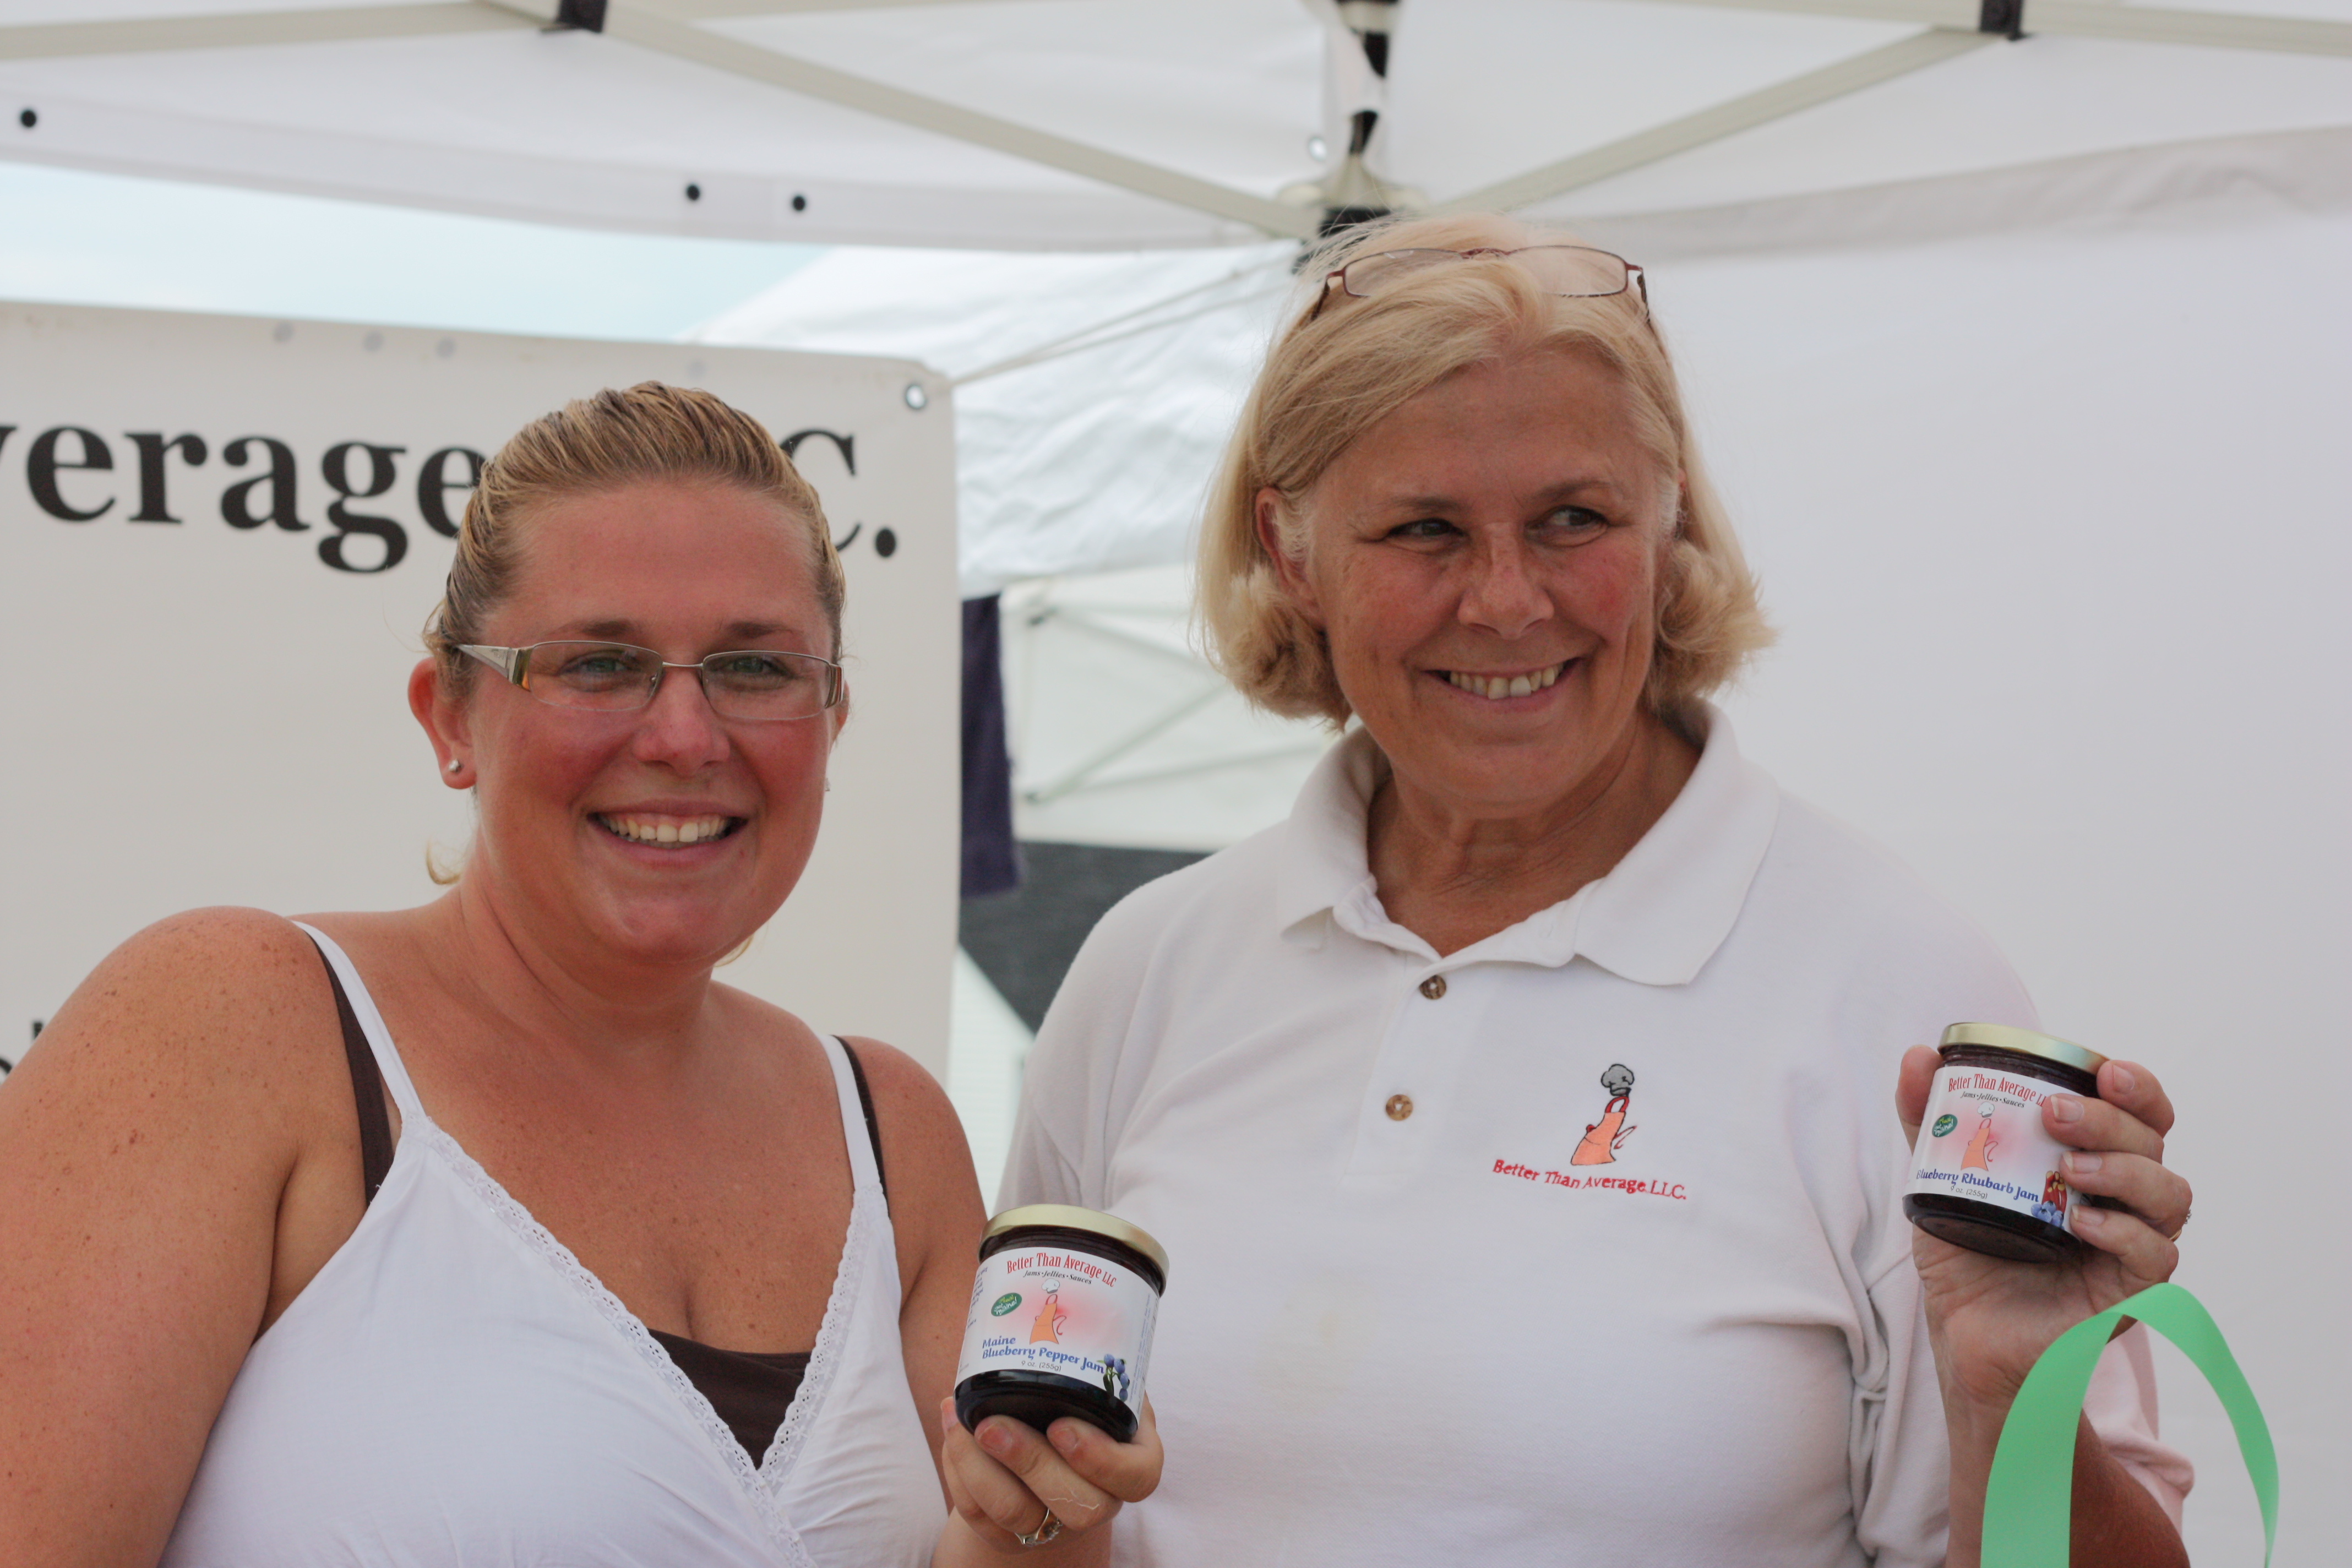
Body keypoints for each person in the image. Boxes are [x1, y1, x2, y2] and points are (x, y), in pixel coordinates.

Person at [1000, 215, 2195, 1567]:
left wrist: (2012, 1399)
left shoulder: (1900, 992)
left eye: (1574, 518)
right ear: (1291, 550)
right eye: (1425, 529)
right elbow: (1022, 1503)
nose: (1509, 602)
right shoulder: (1152, 967)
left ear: (1669, 514)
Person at [0, 384, 1158, 1567]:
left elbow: (1003, 1544)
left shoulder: (894, 1132)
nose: (685, 736)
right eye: (600, 663)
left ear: (831, 720)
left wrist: (1051, 1509)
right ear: (450, 715)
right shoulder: (235, 1022)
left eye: (754, 667)